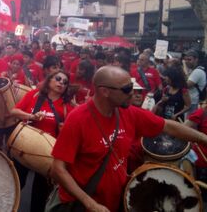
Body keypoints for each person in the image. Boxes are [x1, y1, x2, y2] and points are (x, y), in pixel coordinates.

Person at [49, 66, 207, 212]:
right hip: (81, 205)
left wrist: (203, 138)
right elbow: (58, 169)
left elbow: (168, 126)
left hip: (113, 202)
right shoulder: (77, 119)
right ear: (105, 91)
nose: (132, 93)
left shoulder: (129, 113)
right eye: (127, 89)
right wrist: (90, 203)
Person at [9, 70, 75, 212]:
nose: (61, 83)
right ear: (49, 79)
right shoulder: (34, 95)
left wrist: (63, 129)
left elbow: (71, 133)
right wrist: (31, 116)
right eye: (58, 79)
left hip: (47, 152)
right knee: (15, 185)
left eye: (65, 82)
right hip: (24, 145)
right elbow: (14, 112)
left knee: (40, 193)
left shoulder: (66, 106)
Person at [185, 49, 206, 114]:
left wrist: (184, 67)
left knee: (187, 122)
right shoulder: (193, 70)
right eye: (186, 59)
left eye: (189, 59)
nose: (186, 61)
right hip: (190, 101)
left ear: (196, 59)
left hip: (193, 102)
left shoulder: (198, 71)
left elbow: (186, 85)